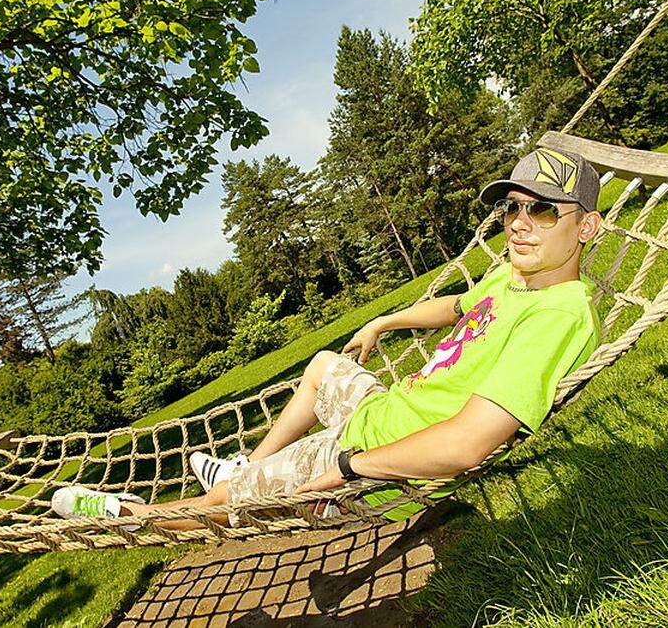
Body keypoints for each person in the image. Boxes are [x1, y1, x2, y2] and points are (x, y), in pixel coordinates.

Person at [51, 148, 605, 529]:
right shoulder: (514, 274)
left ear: (586, 228)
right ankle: (249, 463)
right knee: (321, 366)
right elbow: (458, 306)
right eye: (511, 207)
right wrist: (384, 323)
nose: (518, 222)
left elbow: (467, 444)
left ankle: (131, 514)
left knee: (224, 504)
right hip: (385, 409)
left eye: (543, 209)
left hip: (368, 455)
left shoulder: (559, 314)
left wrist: (348, 470)